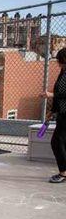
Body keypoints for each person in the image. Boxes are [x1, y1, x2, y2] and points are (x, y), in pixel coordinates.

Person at [40, 47, 66, 183]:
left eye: (62, 62)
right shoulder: (63, 72)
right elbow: (58, 92)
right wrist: (52, 111)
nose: (60, 65)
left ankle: (63, 173)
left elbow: (59, 94)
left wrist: (52, 94)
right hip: (62, 113)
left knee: (57, 141)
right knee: (60, 142)